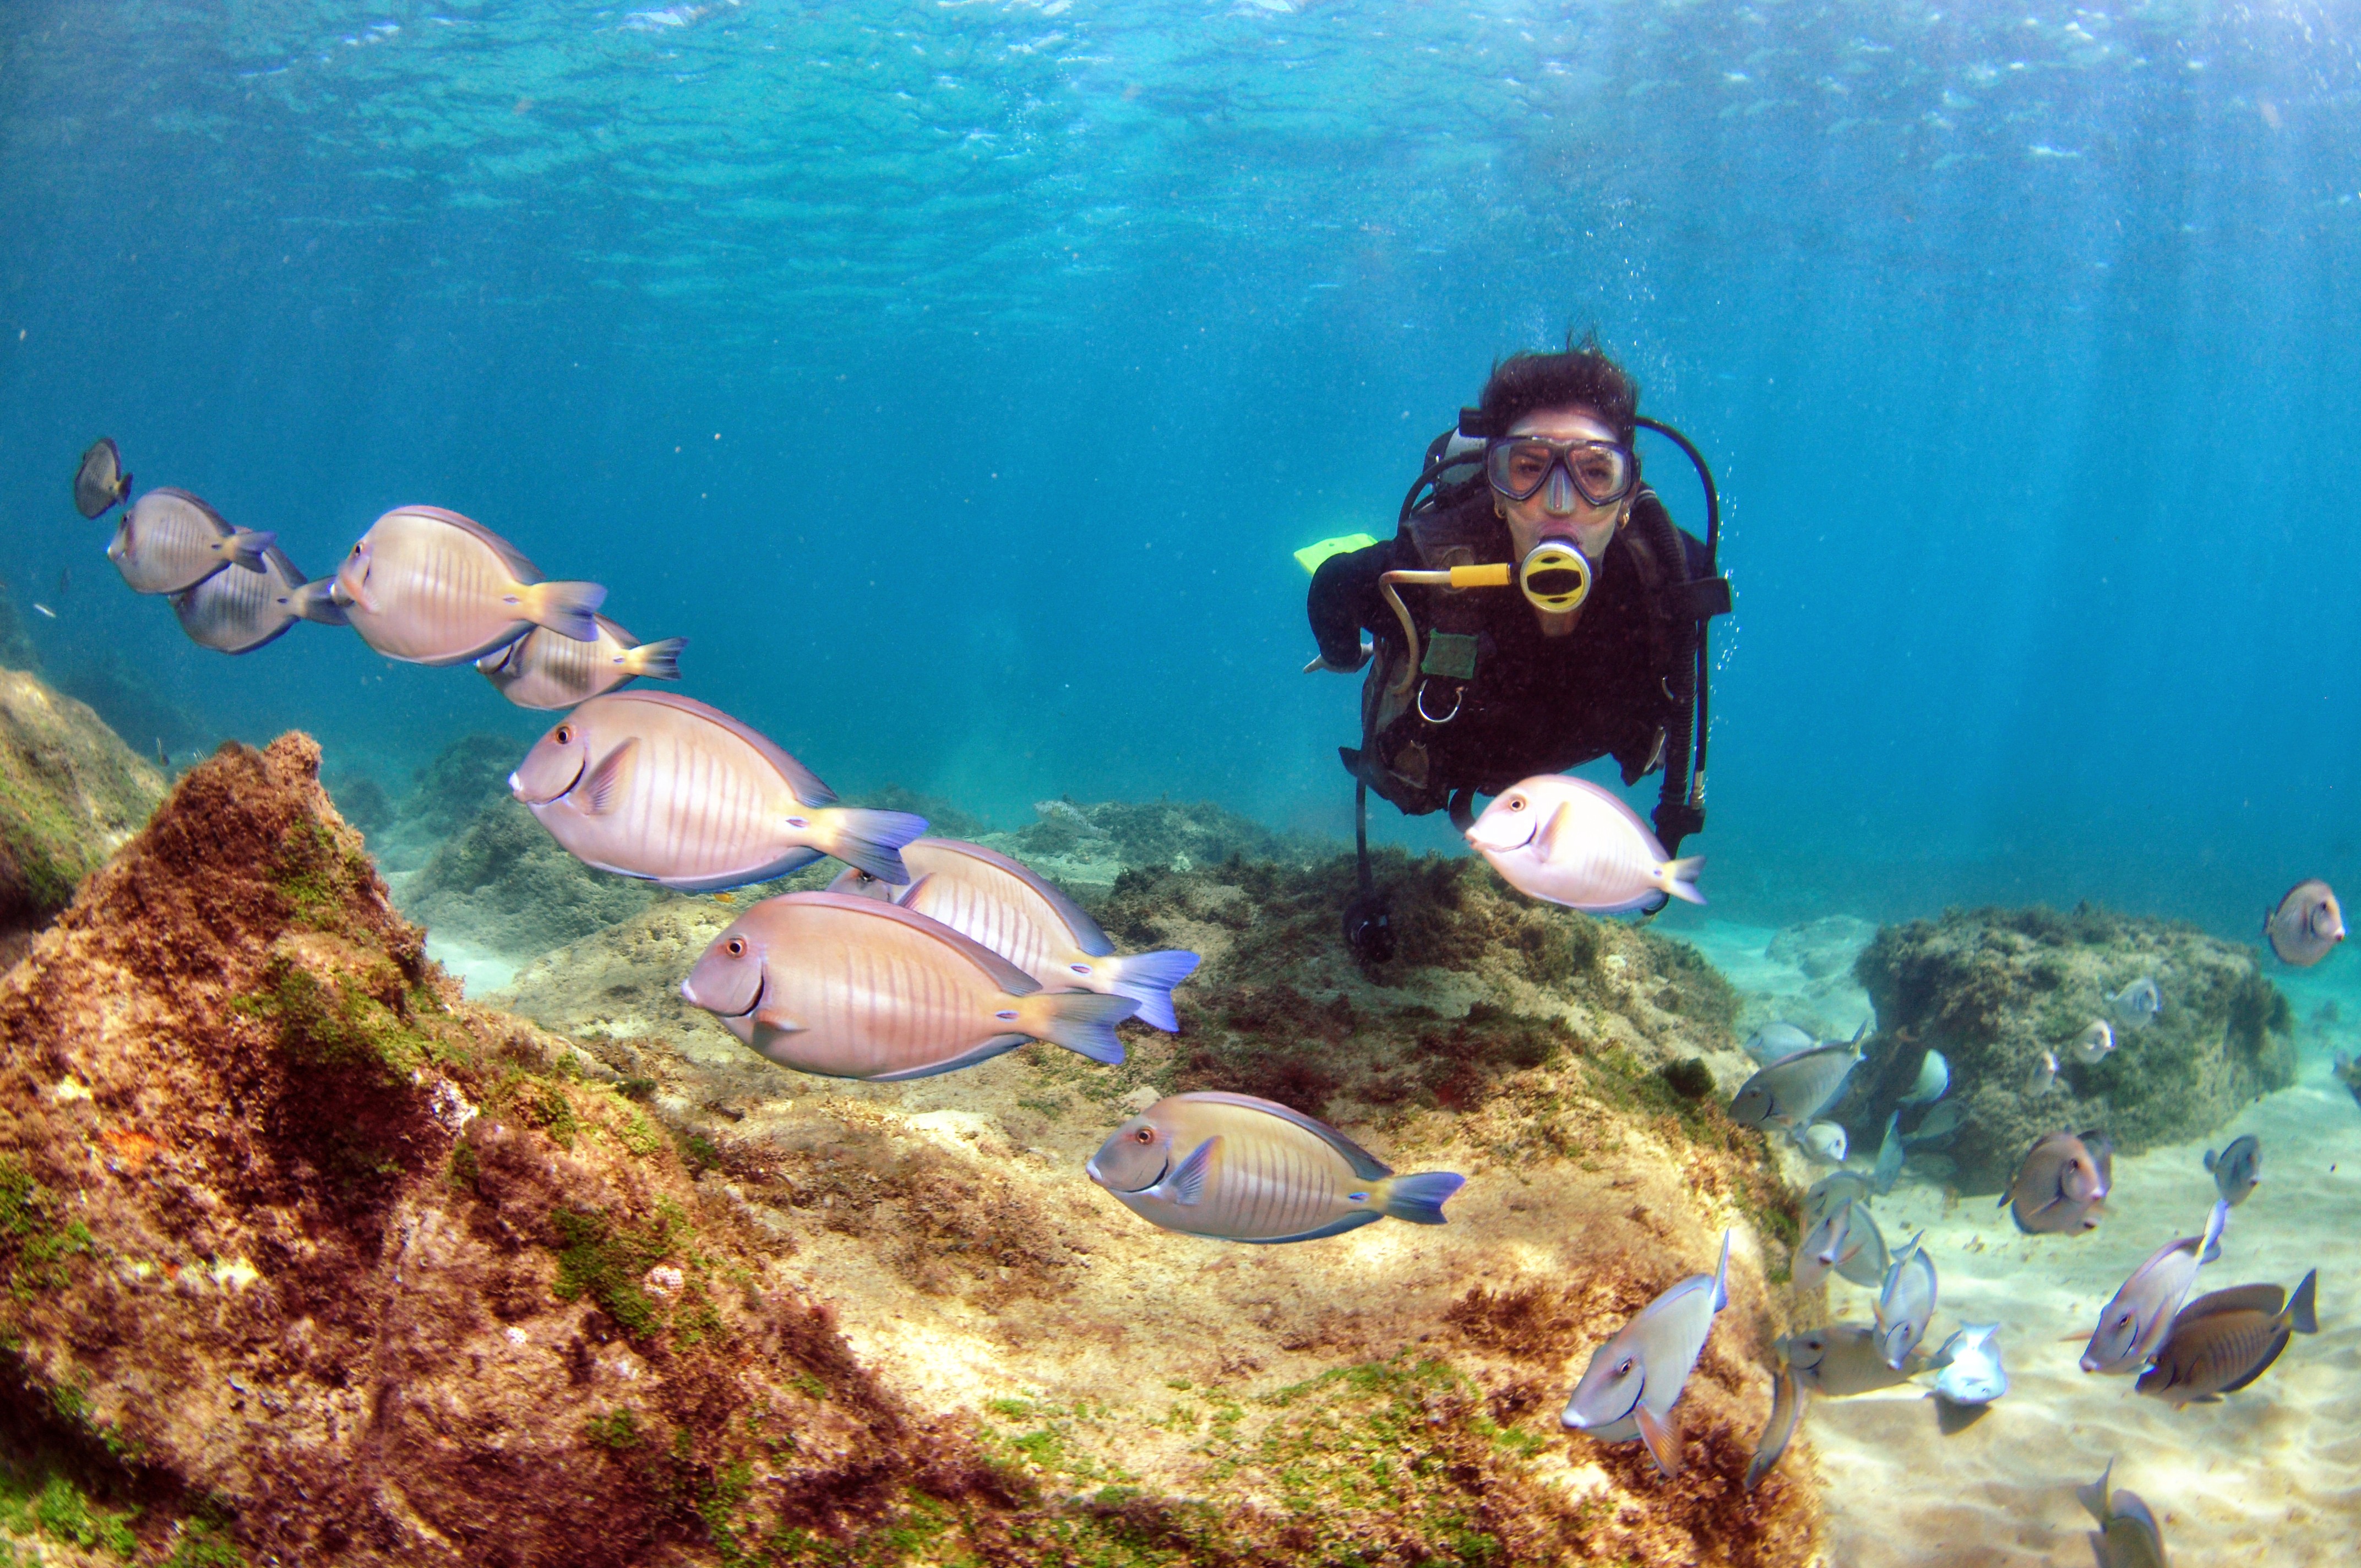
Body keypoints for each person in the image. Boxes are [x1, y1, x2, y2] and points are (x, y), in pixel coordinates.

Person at [1306, 335, 1727, 954]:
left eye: (1595, 473)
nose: (1561, 507)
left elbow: (1686, 728)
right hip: (1459, 741)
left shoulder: (1670, 579)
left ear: (1627, 497)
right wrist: (1348, 655)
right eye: (1527, 468)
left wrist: (1659, 851)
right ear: (1496, 494)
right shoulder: (1426, 568)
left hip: (1552, 763)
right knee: (1402, 643)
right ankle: (1394, 650)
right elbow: (1331, 584)